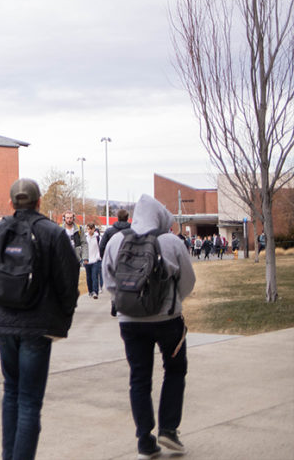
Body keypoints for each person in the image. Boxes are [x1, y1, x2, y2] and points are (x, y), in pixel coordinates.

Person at [0, 178, 79, 460]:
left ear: (11, 203)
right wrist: (62, 318)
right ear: (39, 202)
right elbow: (69, 282)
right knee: (30, 401)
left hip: (4, 324)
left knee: (12, 393)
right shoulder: (53, 233)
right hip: (37, 326)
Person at [103, 195, 196, 460]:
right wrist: (173, 302)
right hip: (168, 320)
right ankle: (169, 428)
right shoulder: (171, 242)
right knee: (175, 370)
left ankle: (145, 439)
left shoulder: (116, 241)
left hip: (129, 322)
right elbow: (188, 280)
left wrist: (129, 304)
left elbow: (111, 281)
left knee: (139, 378)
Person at [83, 223, 102, 299]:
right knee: (89, 277)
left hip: (95, 260)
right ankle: (90, 291)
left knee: (94, 276)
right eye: (88, 229)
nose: (90, 230)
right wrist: (84, 258)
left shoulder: (98, 237)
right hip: (87, 260)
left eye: (91, 229)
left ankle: (95, 292)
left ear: (94, 229)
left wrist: (98, 257)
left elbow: (100, 248)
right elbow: (83, 248)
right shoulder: (85, 237)